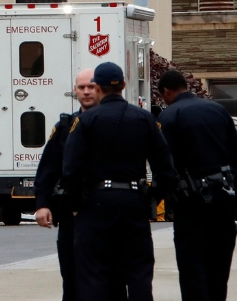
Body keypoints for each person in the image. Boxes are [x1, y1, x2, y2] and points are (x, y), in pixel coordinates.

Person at [63, 62, 177, 301]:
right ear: (124, 85)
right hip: (134, 201)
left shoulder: (85, 121)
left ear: (98, 89)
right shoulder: (145, 119)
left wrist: (75, 204)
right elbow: (165, 169)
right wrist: (151, 198)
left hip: (95, 203)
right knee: (138, 271)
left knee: (93, 273)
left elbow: (71, 168)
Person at [158, 69, 237, 301]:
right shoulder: (218, 109)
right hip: (223, 199)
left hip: (190, 203)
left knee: (192, 267)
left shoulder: (169, 117)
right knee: (219, 266)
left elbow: (165, 166)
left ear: (166, 92)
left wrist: (157, 198)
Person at [33, 68, 99, 301]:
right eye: (81, 88)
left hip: (102, 209)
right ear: (75, 91)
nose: (86, 92)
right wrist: (42, 204)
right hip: (71, 213)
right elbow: (48, 168)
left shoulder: (109, 121)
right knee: (70, 275)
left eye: (91, 87)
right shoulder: (65, 127)